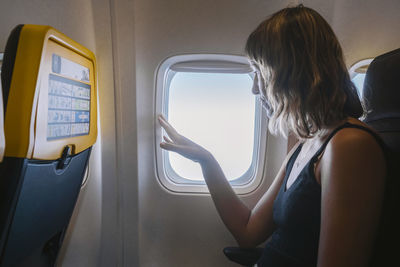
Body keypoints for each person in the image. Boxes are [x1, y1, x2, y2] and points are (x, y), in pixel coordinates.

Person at [158, 4, 386, 267]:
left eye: (260, 73)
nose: (255, 88)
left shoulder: (350, 146)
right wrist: (206, 160)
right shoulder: (307, 144)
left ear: (292, 72)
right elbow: (248, 231)